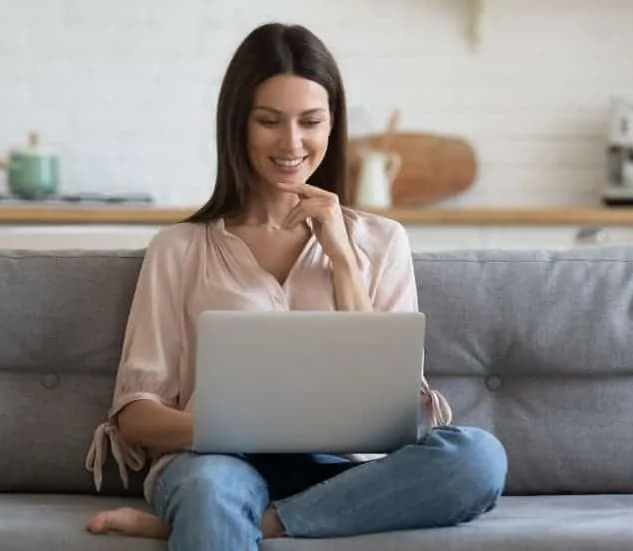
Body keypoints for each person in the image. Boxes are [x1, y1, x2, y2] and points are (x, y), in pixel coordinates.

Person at [83, 22, 508, 550]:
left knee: (479, 457)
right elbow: (134, 416)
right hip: (215, 464)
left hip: (345, 471)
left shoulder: (383, 240)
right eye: (269, 121)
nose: (291, 143)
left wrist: (342, 258)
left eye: (310, 121)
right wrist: (229, 428)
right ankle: (224, 514)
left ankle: (259, 523)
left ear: (333, 126)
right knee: (211, 491)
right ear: (238, 125)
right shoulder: (180, 249)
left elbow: (391, 404)